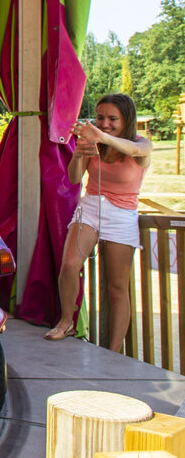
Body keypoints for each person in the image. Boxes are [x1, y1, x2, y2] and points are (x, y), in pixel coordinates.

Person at [44, 93, 152, 347]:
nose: (104, 123)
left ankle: (113, 349)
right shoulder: (93, 143)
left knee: (117, 286)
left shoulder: (141, 144)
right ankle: (66, 322)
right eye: (100, 117)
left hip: (122, 214)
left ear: (127, 119)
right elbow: (74, 178)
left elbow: (135, 150)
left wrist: (101, 137)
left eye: (112, 119)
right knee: (69, 265)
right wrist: (79, 153)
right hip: (91, 205)